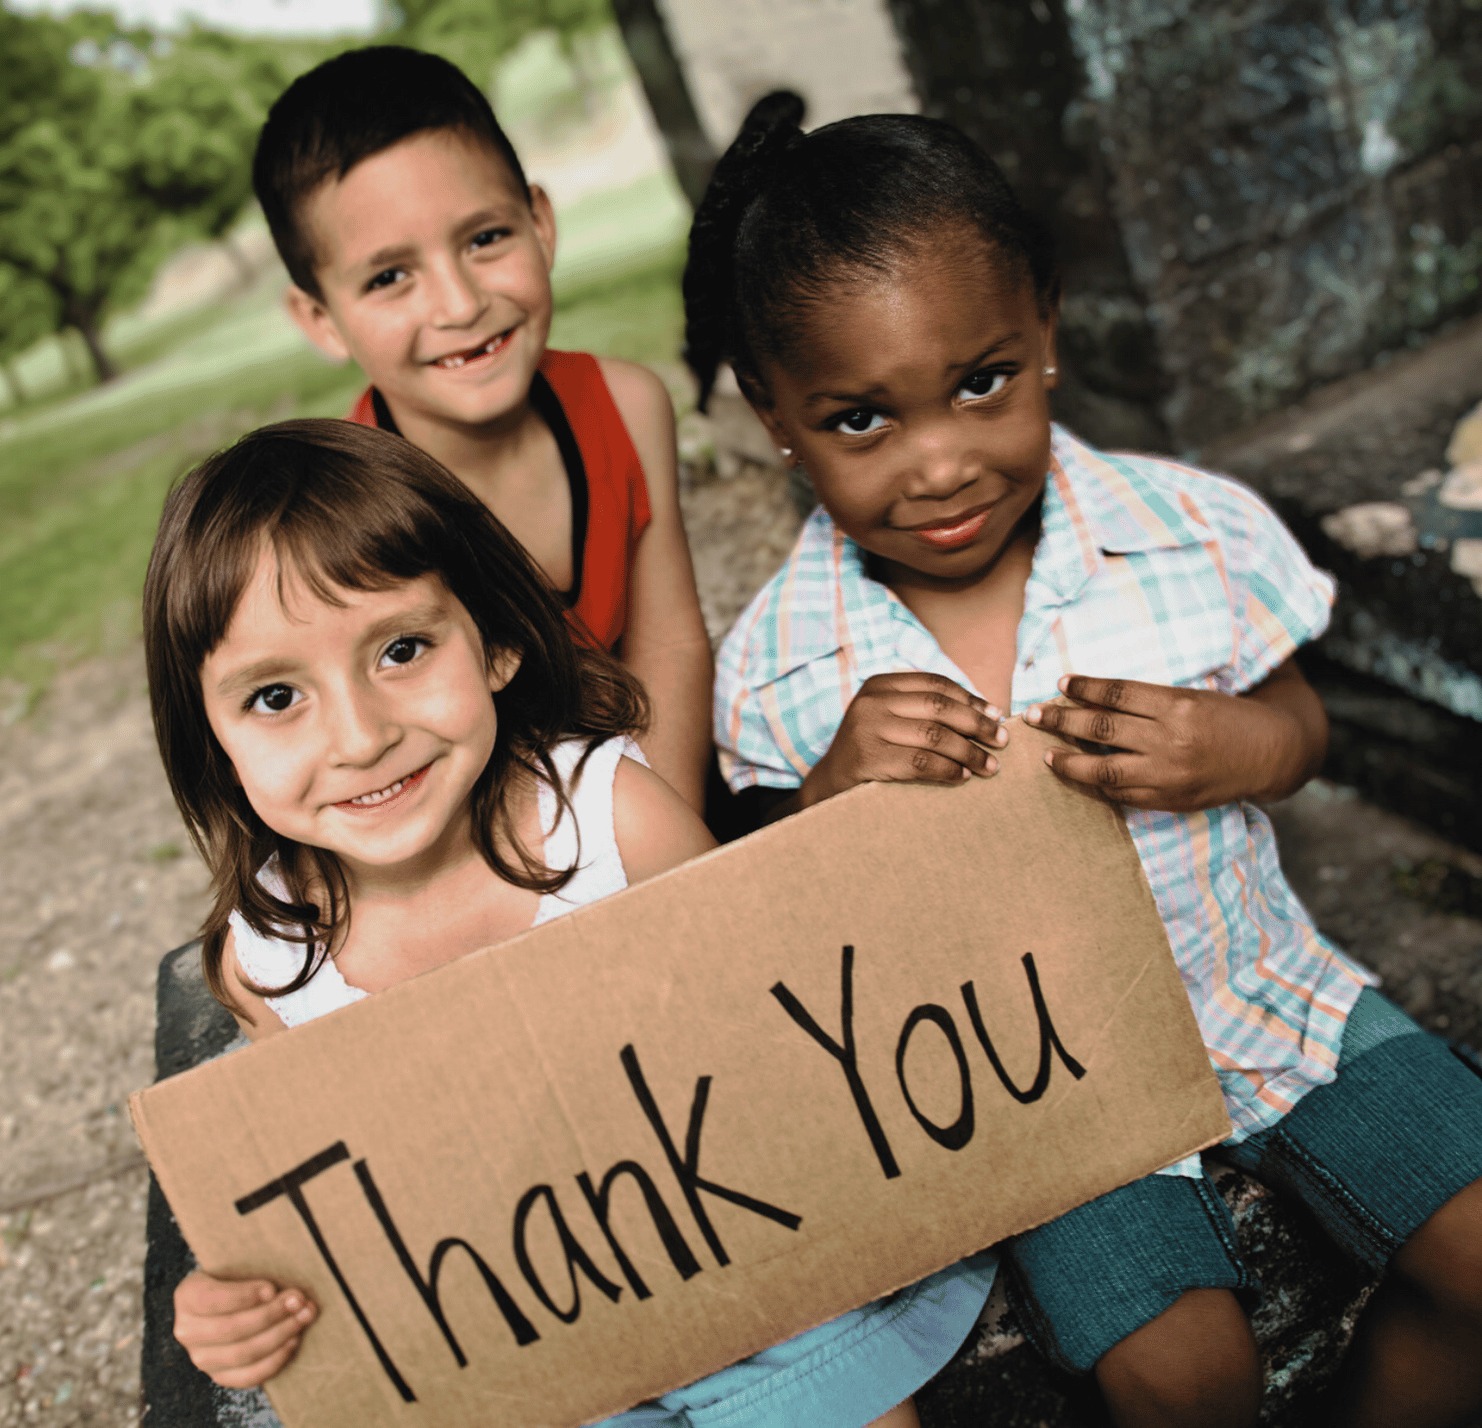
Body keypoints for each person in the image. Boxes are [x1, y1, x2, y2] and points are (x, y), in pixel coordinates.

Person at [696, 95, 1482, 1428]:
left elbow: (1302, 732)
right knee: (1180, 1374)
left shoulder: (1190, 530)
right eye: (860, 423)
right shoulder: (782, 662)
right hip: (1050, 1090)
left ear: (1046, 326)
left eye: (981, 381)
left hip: (1268, 996)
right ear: (775, 414)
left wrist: (1237, 744)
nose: (941, 463)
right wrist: (832, 796)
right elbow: (787, 924)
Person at [141, 419, 996, 1428]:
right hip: (523, 1361)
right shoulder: (271, 961)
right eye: (276, 695)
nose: (361, 735)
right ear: (212, 739)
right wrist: (233, 1307)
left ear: (495, 641)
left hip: (759, 1291)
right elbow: (323, 1222)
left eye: (403, 649)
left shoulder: (611, 822)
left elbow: (784, 1044)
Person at [250, 46, 715, 813]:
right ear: (321, 319)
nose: (459, 303)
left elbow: (670, 648)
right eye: (389, 276)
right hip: (474, 839)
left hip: (652, 801)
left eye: (485, 239)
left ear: (540, 224)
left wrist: (658, 853)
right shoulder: (341, 508)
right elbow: (383, 760)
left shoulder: (628, 407)